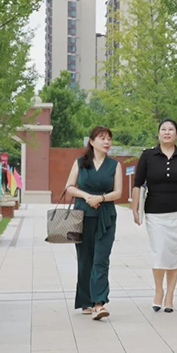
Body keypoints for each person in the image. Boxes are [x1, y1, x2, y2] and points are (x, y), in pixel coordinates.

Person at [132, 119, 177, 313]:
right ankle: (158, 290)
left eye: (171, 129)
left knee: (175, 254)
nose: (167, 132)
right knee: (160, 252)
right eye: (163, 129)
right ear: (158, 134)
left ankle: (170, 294)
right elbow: (138, 183)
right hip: (155, 212)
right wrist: (135, 208)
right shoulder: (148, 156)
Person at [65, 126, 122, 321]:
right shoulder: (80, 163)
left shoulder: (115, 165)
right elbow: (69, 187)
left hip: (106, 217)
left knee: (101, 259)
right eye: (102, 138)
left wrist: (101, 198)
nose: (107, 142)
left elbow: (118, 192)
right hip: (82, 215)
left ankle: (99, 303)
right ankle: (86, 301)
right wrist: (87, 196)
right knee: (85, 259)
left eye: (109, 139)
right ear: (91, 141)